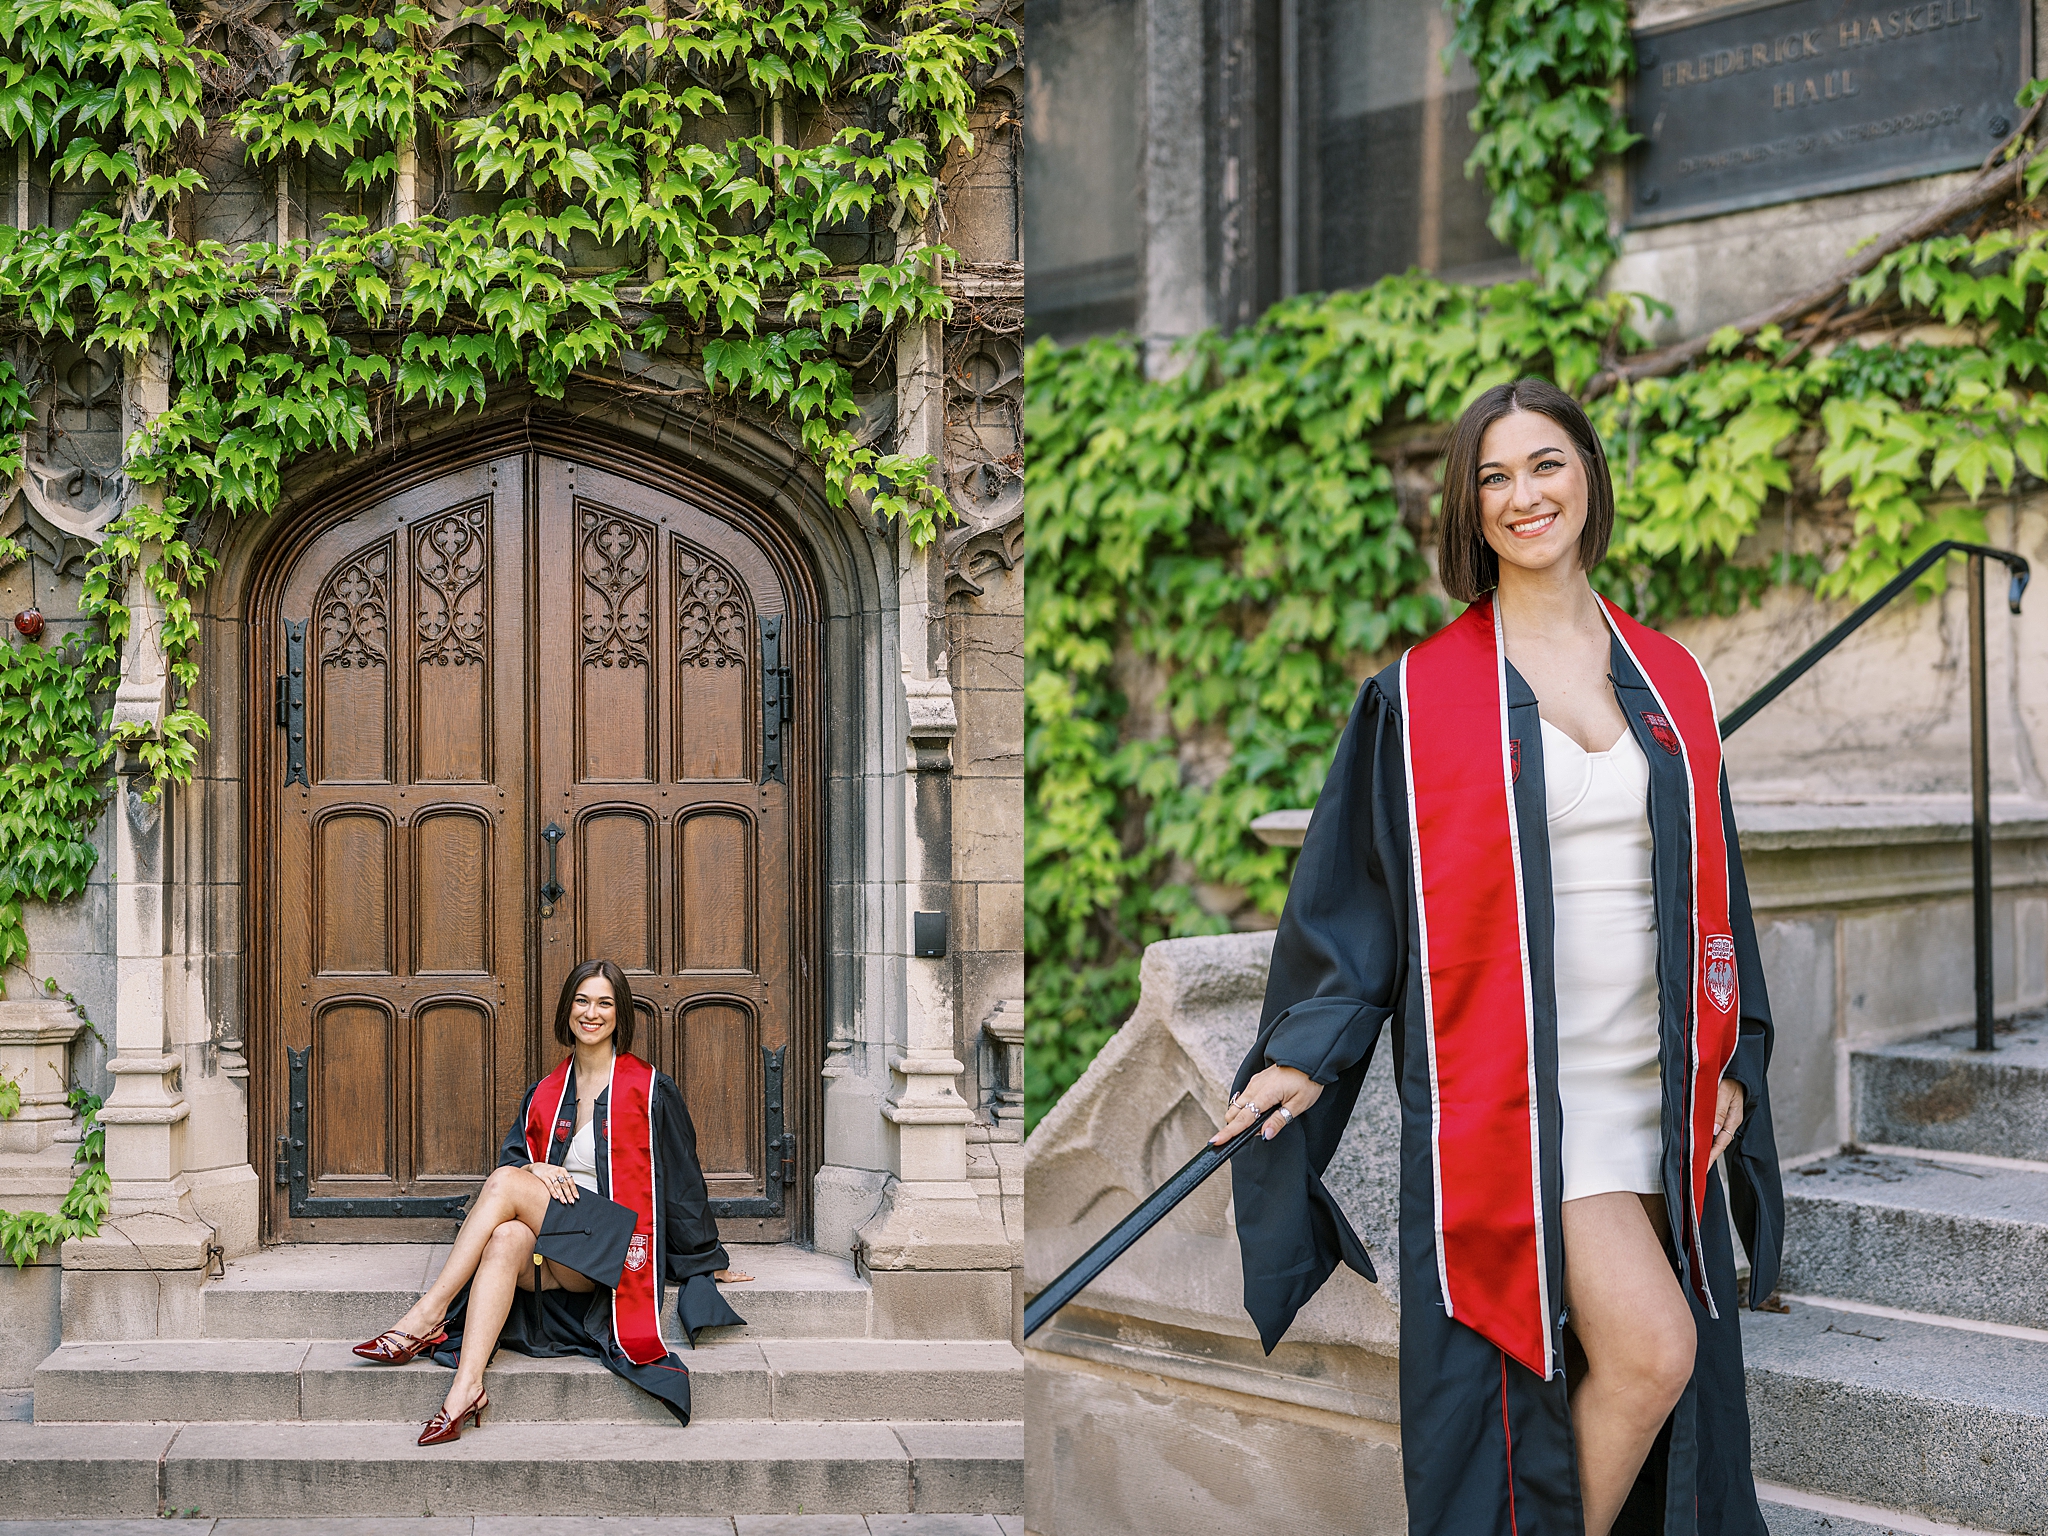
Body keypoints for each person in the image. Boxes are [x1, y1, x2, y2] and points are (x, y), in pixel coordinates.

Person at [1213, 378, 1784, 1536]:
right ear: (1468, 513)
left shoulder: (1670, 679)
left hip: (1655, 1078)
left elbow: (1713, 881)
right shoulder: (1422, 701)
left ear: (1586, 475)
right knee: (1653, 1347)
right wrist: (1303, 1052)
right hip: (1523, 1097)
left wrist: (1730, 1055)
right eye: (1492, 477)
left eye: (1545, 465)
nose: (1522, 495)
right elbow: (1357, 906)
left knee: (1648, 1368)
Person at [351, 958, 748, 1442]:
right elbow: (516, 1166)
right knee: (506, 1237)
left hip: (613, 1246)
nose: (592, 1013)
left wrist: (705, 1259)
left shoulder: (648, 1091)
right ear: (568, 1009)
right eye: (582, 1000)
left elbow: (684, 1181)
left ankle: (428, 1313)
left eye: (604, 1002)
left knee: (503, 1182)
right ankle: (466, 1388)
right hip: (557, 1250)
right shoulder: (545, 1094)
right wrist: (533, 1168)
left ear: (620, 1013)